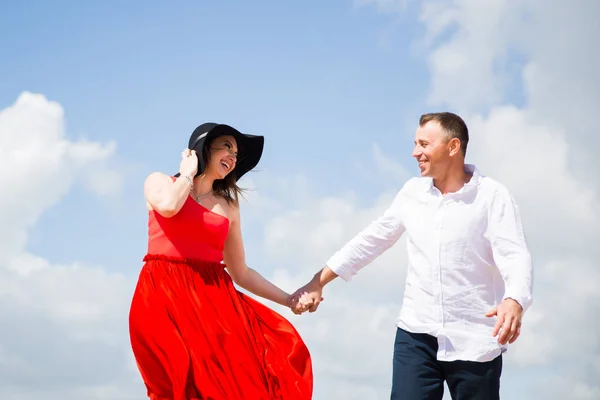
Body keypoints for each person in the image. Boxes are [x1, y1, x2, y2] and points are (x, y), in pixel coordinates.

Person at [293, 112, 534, 399]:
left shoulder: (493, 196)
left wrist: (515, 298)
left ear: (453, 147)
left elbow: (514, 253)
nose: (414, 152)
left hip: (476, 338)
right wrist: (319, 280)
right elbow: (371, 240)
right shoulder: (412, 193)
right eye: (415, 143)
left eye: (423, 144)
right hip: (416, 335)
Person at [129, 122, 314, 400]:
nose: (233, 156)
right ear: (204, 148)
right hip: (162, 295)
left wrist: (288, 299)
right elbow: (168, 207)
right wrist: (188, 174)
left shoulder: (228, 206)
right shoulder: (159, 181)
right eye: (226, 146)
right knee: (170, 385)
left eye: (236, 153)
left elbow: (241, 273)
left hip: (215, 305)